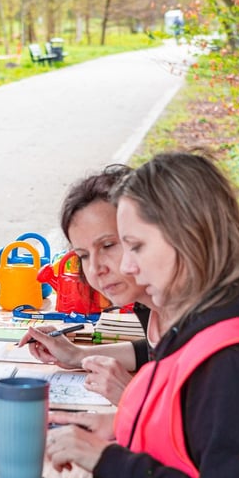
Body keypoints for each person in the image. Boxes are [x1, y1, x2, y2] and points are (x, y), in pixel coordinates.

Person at [46, 151, 239, 478]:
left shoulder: (235, 356)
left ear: (189, 237)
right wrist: (126, 427)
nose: (127, 267)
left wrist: (109, 461)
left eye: (136, 246)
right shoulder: (222, 320)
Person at [18, 165, 156, 405]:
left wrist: (130, 401)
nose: (95, 269)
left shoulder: (201, 318)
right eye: (83, 255)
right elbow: (154, 352)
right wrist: (77, 355)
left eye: (108, 245)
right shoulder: (149, 305)